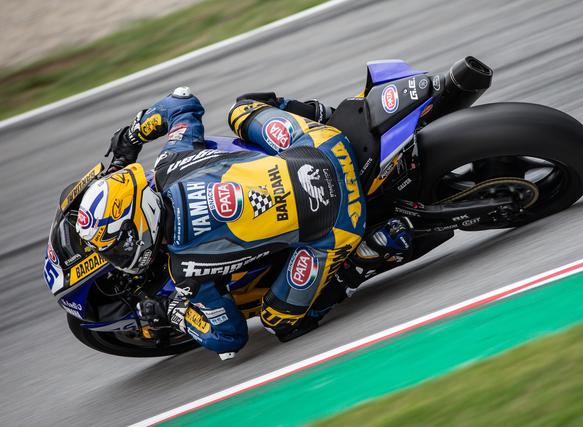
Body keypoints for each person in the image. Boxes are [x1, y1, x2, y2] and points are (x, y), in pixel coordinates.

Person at [75, 87, 413, 359]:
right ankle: (331, 115)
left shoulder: (186, 270)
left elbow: (230, 337)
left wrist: (174, 312)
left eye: (118, 246)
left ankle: (366, 256)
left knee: (279, 322)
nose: (118, 256)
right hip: (324, 144)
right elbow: (182, 103)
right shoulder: (171, 160)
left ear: (141, 222)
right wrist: (133, 135)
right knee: (241, 109)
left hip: (340, 223)